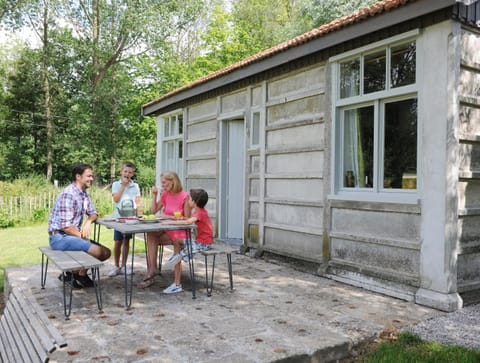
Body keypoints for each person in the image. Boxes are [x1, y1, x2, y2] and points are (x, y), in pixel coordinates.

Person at [48, 163, 111, 288]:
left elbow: (93, 213)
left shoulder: (83, 194)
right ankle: (73, 274)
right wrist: (82, 236)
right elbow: (65, 227)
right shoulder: (68, 194)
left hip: (72, 235)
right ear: (78, 176)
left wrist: (88, 221)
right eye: (88, 176)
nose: (91, 179)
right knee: (97, 251)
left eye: (92, 176)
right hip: (60, 237)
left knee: (106, 253)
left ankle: (76, 274)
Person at [138, 171, 191, 292]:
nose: (162, 185)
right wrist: (155, 195)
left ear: (173, 181)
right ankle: (152, 269)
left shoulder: (185, 196)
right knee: (150, 234)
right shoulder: (165, 195)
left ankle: (152, 273)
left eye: (164, 182)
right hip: (166, 229)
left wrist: (170, 217)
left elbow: (188, 219)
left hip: (178, 231)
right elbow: (153, 211)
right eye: (161, 183)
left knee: (153, 237)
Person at [161, 188, 214, 292]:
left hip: (203, 244)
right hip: (201, 242)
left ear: (194, 202)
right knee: (177, 240)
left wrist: (169, 222)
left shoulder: (200, 213)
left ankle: (178, 259)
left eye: (189, 199)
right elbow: (189, 220)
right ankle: (177, 257)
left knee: (181, 250)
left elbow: (188, 223)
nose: (188, 201)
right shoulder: (199, 211)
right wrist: (183, 218)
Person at [108, 162, 141, 277]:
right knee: (118, 242)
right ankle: (116, 266)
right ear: (121, 172)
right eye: (125, 171)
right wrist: (123, 186)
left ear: (133, 174)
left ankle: (123, 266)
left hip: (130, 218)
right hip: (119, 218)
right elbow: (116, 199)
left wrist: (139, 212)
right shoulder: (116, 184)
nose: (127, 174)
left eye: (130, 172)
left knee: (126, 241)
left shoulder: (135, 186)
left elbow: (137, 201)